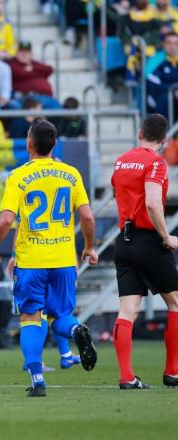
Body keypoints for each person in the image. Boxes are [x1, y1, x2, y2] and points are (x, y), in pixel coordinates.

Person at [0, 119, 99, 397]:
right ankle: (77, 330)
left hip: (31, 260)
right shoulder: (71, 173)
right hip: (64, 259)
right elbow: (87, 216)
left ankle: (37, 380)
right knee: (60, 315)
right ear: (54, 144)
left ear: (29, 144)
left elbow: (7, 219)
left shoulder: (18, 176)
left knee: (31, 318)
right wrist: (89, 247)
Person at [110, 113, 178, 389]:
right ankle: (173, 372)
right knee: (175, 303)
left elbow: (119, 193)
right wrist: (166, 236)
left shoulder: (121, 160)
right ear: (163, 141)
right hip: (149, 241)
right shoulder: (157, 163)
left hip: (123, 242)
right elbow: (152, 203)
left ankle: (127, 377)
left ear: (140, 134)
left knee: (127, 311)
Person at [8, 41, 59, 109]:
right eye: (22, 52)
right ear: (17, 53)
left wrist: (33, 68)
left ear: (31, 54)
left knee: (58, 108)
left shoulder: (34, 64)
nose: (24, 54)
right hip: (24, 97)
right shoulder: (12, 63)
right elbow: (18, 73)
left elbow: (49, 69)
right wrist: (38, 72)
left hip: (43, 96)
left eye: (27, 52)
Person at [147, 32, 178, 119]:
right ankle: (163, 131)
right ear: (163, 44)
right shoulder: (155, 60)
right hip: (159, 99)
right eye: (169, 43)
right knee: (165, 98)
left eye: (176, 43)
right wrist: (173, 89)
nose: (172, 46)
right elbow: (152, 83)